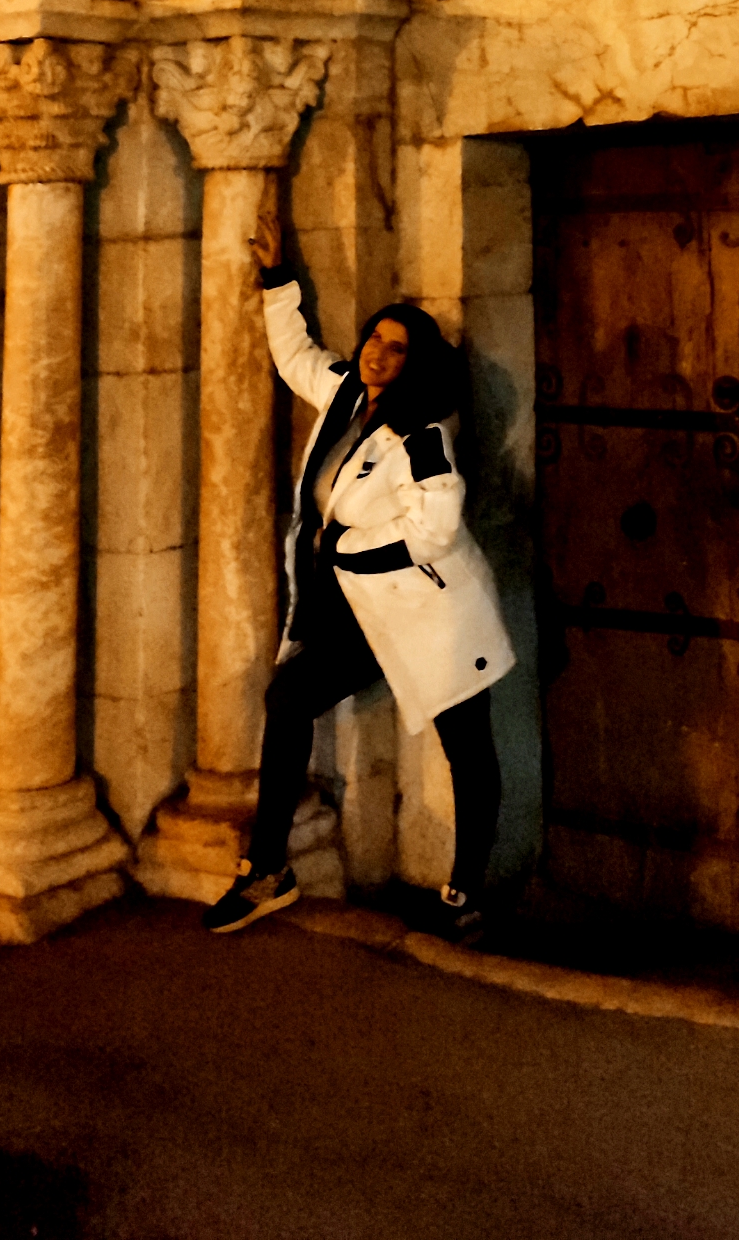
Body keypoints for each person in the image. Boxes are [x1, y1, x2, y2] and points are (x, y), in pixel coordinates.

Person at [205, 205, 515, 937]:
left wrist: (345, 543)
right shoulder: (348, 393)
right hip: (357, 609)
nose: (377, 354)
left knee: (467, 747)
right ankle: (267, 870)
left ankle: (465, 894)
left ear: (416, 362)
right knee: (288, 699)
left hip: (430, 611)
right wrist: (277, 279)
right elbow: (295, 357)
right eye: (375, 338)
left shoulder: (422, 432)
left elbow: (436, 527)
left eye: (395, 348)